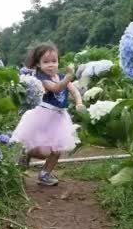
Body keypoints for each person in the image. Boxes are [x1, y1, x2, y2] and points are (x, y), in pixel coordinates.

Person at [10, 42, 84, 186]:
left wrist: (79, 102)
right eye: (46, 62)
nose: (51, 65)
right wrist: (69, 76)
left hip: (59, 118)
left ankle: (45, 174)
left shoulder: (61, 76)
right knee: (43, 151)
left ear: (58, 61)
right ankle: (27, 153)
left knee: (57, 150)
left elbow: (73, 91)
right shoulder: (43, 79)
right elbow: (56, 88)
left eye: (54, 61)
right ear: (38, 64)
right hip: (42, 117)